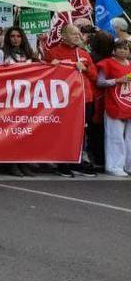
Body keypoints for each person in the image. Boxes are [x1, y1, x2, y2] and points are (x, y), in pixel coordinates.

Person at [44, 24, 99, 177]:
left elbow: (95, 76)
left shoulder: (83, 54)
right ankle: (62, 161)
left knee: (82, 131)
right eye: (73, 33)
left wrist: (85, 68)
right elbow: (43, 76)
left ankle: (78, 160)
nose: (77, 36)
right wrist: (52, 67)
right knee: (64, 129)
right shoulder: (52, 53)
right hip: (64, 99)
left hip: (85, 98)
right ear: (64, 36)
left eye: (78, 33)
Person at [97, 39, 131, 176]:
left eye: (126, 48)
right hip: (114, 104)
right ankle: (114, 166)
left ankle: (128, 166)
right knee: (115, 136)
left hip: (128, 102)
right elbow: (100, 82)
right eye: (120, 48)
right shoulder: (107, 63)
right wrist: (117, 80)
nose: (123, 51)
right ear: (114, 50)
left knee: (130, 138)